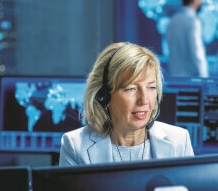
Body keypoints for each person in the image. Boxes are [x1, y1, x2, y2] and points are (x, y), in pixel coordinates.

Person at [59, 42, 194, 166]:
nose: (144, 100)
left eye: (151, 87)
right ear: (103, 96)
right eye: (131, 89)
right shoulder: (75, 145)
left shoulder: (179, 141)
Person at [166, 0, 208, 77]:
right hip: (193, 82)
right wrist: (204, 77)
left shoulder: (173, 21)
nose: (202, 1)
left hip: (175, 78)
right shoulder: (193, 21)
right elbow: (196, 52)